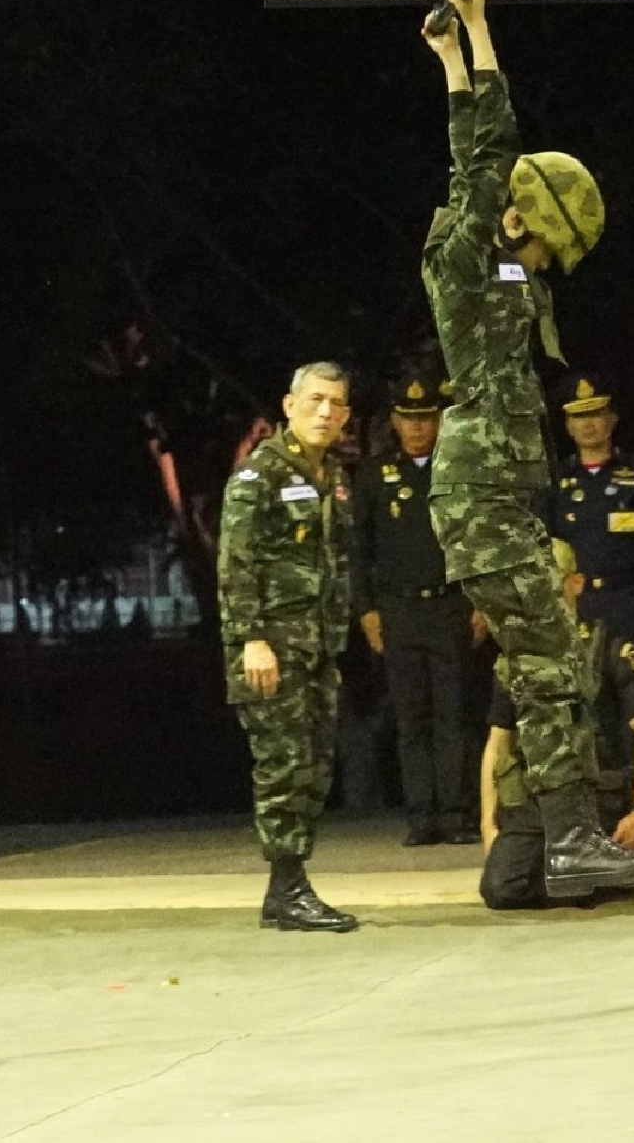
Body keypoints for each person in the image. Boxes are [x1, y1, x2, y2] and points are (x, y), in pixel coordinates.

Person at [419, 0, 634, 898]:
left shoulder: (508, 277)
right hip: (480, 496)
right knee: (550, 660)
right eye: (543, 250)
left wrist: (453, 55)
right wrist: (479, 38)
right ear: (515, 221)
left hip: (497, 496)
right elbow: (486, 159)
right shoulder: (466, 261)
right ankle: (570, 840)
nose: (546, 270)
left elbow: (491, 164)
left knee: (543, 662)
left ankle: (555, 848)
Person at [217, 361, 358, 932]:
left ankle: (288, 889)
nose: (326, 412)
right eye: (316, 401)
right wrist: (251, 638)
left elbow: (335, 569)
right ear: (289, 405)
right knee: (283, 768)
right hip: (270, 649)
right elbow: (236, 563)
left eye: (337, 404)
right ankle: (288, 888)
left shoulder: (334, 478)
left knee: (314, 769)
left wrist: (332, 651)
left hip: (315, 651)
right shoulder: (260, 476)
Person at [480, 540, 634, 908]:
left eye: (549, 581)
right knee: (501, 889)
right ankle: (592, 882)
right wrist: (488, 824)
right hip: (539, 799)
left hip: (597, 794)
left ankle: (597, 873)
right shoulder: (519, 658)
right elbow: (497, 745)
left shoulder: (608, 648)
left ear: (575, 584)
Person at [353, 374, 485, 845]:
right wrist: (366, 611)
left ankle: (455, 815)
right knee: (411, 720)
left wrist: (482, 604)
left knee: (454, 717)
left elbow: (478, 542)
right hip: (398, 612)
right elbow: (358, 549)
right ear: (394, 420)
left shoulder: (459, 471)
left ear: (439, 419)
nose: (416, 428)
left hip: (450, 605)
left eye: (425, 418)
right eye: (408, 419)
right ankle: (421, 817)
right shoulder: (374, 474)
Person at [552, 373, 634, 659]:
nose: (588, 424)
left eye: (596, 414)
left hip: (631, 607)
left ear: (612, 419)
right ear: (568, 426)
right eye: (579, 416)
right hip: (575, 609)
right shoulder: (557, 481)